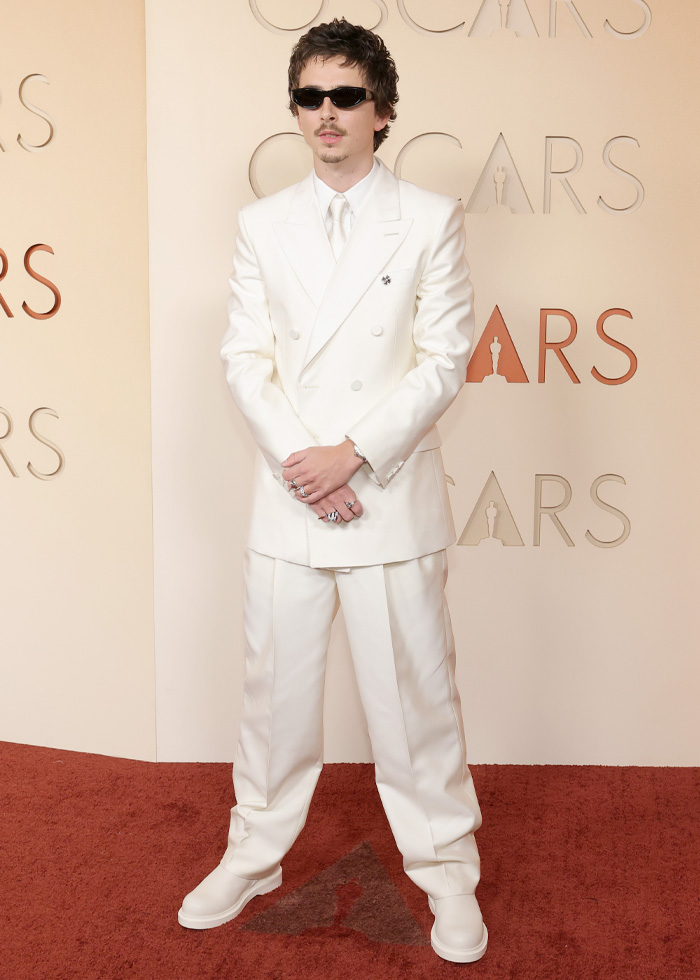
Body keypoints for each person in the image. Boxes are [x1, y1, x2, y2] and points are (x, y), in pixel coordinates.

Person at [178, 18, 487, 964]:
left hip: (385, 497)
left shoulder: (430, 218)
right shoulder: (260, 224)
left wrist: (352, 455)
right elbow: (244, 359)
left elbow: (442, 362)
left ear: (381, 110)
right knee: (274, 701)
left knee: (414, 706)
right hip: (291, 499)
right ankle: (255, 855)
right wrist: (303, 466)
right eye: (309, 96)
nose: (325, 113)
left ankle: (447, 875)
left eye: (344, 95)